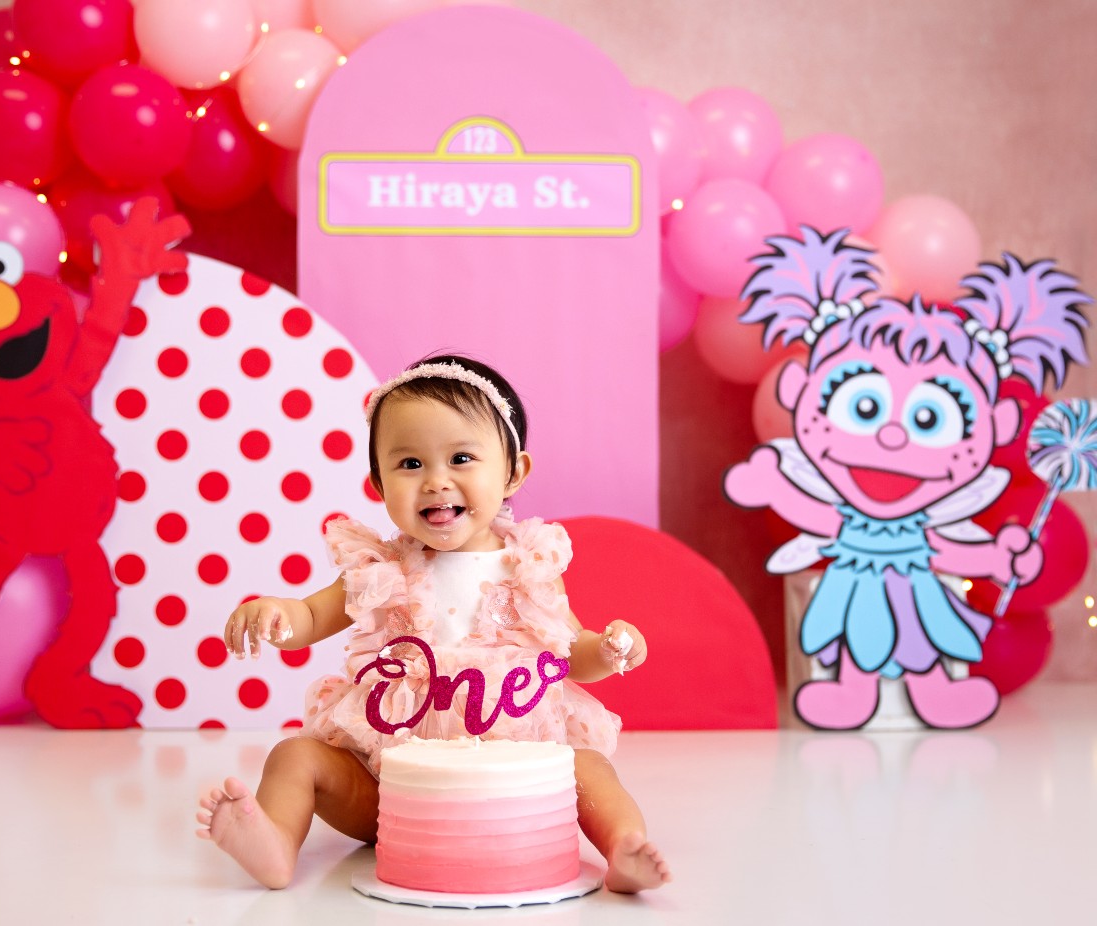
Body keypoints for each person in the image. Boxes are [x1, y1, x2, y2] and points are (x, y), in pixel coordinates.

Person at [195, 354, 671, 893]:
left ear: (513, 472)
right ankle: (275, 843)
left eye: (461, 458)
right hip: (394, 796)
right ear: (379, 483)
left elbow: (569, 653)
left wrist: (606, 651)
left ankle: (624, 847)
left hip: (515, 789)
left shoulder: (527, 567)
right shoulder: (381, 569)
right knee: (295, 755)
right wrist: (278, 613)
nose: (436, 481)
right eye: (410, 464)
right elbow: (311, 617)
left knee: (587, 770)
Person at [724, 226, 1089, 730]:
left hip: (917, 589)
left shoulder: (928, 525)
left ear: (998, 423)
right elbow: (822, 519)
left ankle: (937, 695)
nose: (893, 436)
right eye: (864, 407)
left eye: (930, 418)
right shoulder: (846, 513)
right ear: (796, 390)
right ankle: (850, 696)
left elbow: (947, 550)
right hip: (856, 587)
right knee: (855, 642)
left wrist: (996, 558)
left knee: (924, 643)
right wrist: (774, 488)